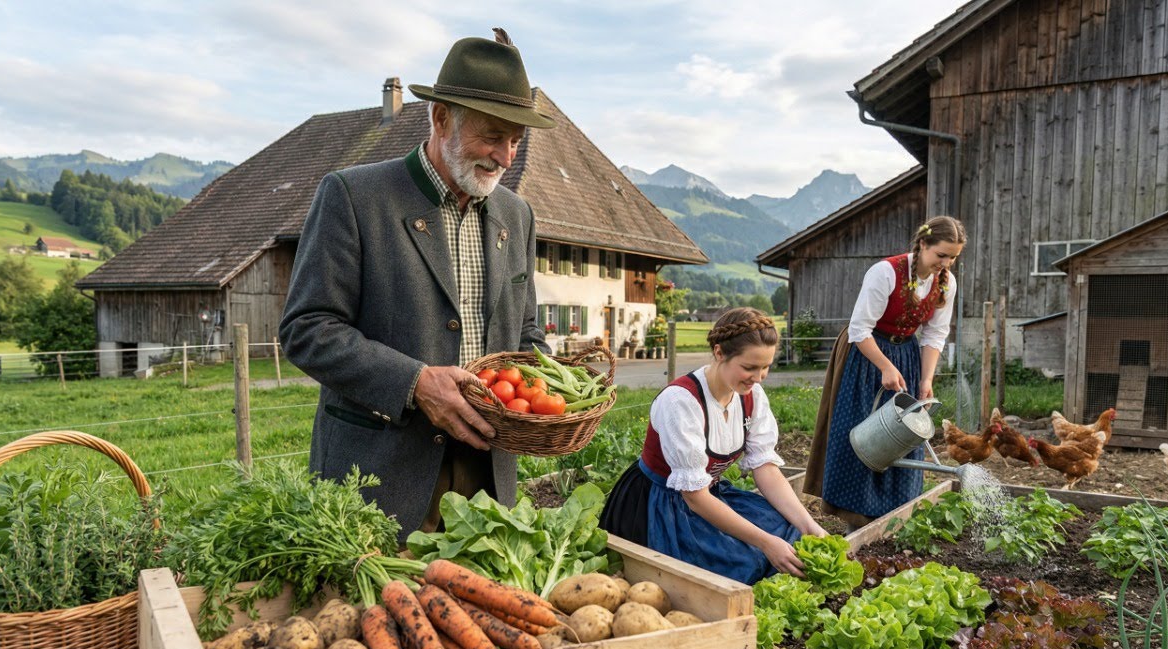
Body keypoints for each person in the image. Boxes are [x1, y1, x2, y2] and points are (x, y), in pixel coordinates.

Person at [279, 30, 556, 542]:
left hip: (487, 473)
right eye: (493, 135)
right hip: (383, 474)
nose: (506, 156)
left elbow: (526, 332)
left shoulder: (517, 215)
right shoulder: (354, 196)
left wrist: (555, 391)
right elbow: (307, 329)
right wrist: (414, 383)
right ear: (441, 118)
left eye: (516, 140)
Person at [600, 308, 827, 585]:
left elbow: (765, 469)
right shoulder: (681, 402)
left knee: (788, 530)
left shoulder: (750, 396)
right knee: (747, 561)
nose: (758, 377)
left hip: (709, 495)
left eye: (765, 367)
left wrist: (810, 526)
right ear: (719, 353)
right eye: (749, 367)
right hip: (660, 505)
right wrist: (767, 543)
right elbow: (694, 496)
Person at [804, 216, 967, 530]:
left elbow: (935, 334)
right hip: (865, 354)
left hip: (907, 355)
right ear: (923, 244)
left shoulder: (946, 282)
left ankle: (894, 517)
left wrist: (926, 380)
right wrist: (884, 366)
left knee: (904, 433)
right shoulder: (886, 272)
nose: (945, 263)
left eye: (953, 257)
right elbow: (859, 329)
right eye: (941, 255)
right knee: (861, 431)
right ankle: (855, 523)